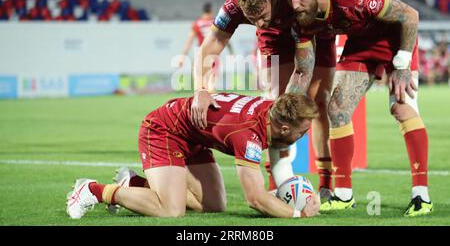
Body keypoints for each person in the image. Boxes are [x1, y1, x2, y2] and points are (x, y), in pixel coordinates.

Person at [190, 0, 378, 197]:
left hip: (315, 31)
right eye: (252, 19)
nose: (258, 23)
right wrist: (200, 89)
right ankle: (276, 184)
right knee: (275, 106)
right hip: (275, 40)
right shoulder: (234, 5)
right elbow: (210, 45)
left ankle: (327, 184)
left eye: (262, 16)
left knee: (319, 102)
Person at [281, 0, 432, 216]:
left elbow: (410, 15)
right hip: (362, 44)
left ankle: (421, 195)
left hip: (397, 38)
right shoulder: (301, 20)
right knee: (337, 108)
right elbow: (303, 70)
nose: (294, 4)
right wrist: (287, 105)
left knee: (401, 107)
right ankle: (343, 194)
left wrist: (403, 64)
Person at [66, 92, 321, 219]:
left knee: (214, 206)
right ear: (285, 128)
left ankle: (134, 185)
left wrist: (280, 196)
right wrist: (298, 214)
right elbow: (254, 198)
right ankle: (93, 190)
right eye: (304, 130)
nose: (305, 135)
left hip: (193, 136)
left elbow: (275, 170)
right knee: (171, 210)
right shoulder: (248, 135)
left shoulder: (272, 111)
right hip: (164, 130)